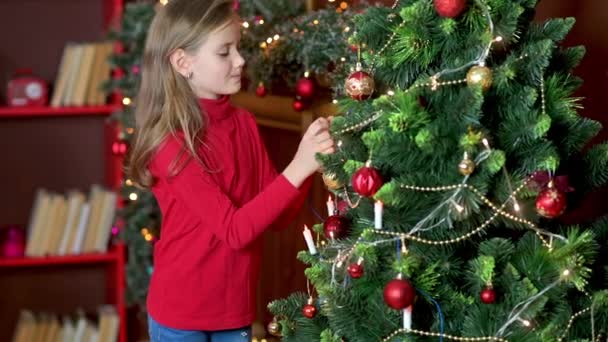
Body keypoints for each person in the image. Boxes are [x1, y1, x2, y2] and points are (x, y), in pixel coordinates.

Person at [126, 0, 335, 341]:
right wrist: (299, 166)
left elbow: (278, 216)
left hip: (235, 309)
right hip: (180, 316)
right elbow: (234, 230)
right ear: (183, 62)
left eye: (237, 49)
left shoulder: (243, 123)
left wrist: (311, 163)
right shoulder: (170, 141)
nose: (240, 60)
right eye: (224, 52)